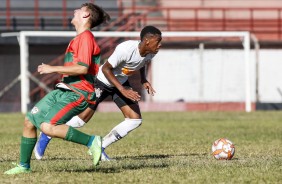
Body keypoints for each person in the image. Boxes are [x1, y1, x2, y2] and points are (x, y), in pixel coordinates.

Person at [4, 3, 110, 175]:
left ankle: (92, 141)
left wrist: (52, 68)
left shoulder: (86, 38)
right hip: (64, 90)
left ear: (86, 16)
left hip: (78, 93)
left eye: (80, 9)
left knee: (47, 126)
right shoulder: (79, 38)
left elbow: (82, 68)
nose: (75, 11)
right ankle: (24, 166)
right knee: (30, 121)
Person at [34, 25, 162, 161]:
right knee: (80, 121)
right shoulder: (125, 49)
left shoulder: (152, 52)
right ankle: (47, 132)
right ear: (147, 41)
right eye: (158, 41)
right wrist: (122, 89)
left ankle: (99, 147)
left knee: (134, 120)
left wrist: (143, 79)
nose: (160, 45)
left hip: (120, 84)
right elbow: (107, 69)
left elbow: (142, 63)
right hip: (101, 81)